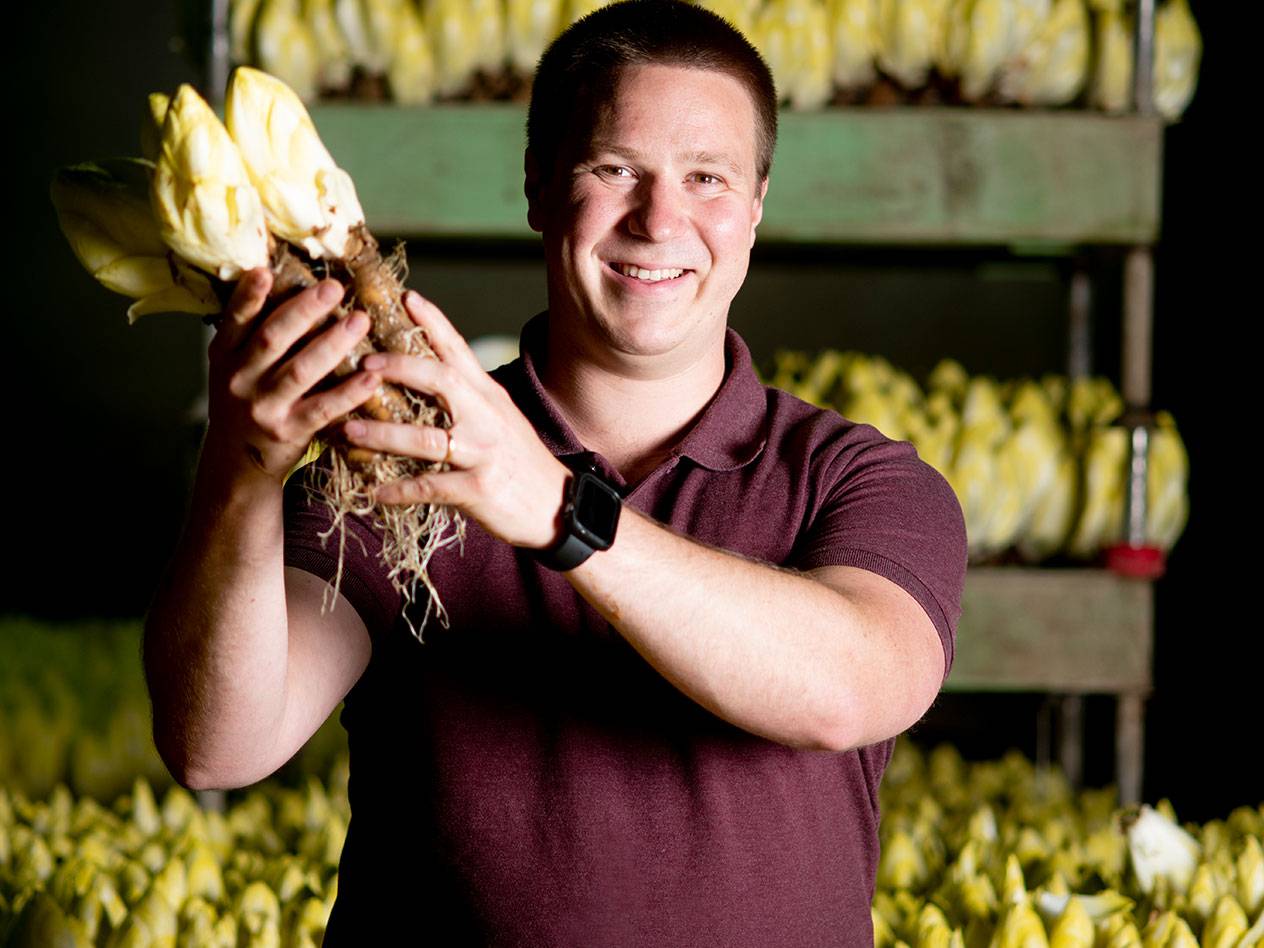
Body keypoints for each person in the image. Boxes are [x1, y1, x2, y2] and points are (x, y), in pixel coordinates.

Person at [143, 0, 967, 943]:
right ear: (537, 186)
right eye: (615, 169)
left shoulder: (859, 480)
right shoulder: (401, 452)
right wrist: (241, 467)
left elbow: (852, 688)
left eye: (708, 178)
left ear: (755, 212)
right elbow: (218, 745)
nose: (661, 220)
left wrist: (558, 511)